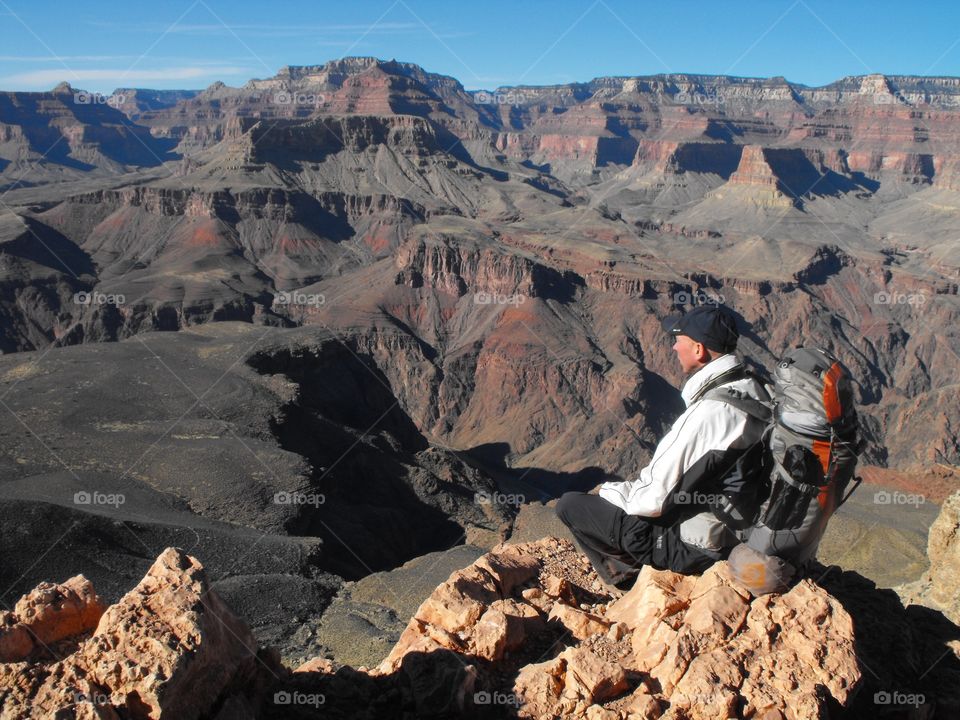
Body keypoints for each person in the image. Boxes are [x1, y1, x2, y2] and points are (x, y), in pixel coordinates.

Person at [555, 304, 769, 591]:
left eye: (678, 339)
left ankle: (628, 580)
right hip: (737, 530)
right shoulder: (754, 390)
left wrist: (608, 491)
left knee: (570, 505)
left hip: (697, 548)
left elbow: (652, 500)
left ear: (698, 350)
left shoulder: (707, 414)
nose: (672, 347)